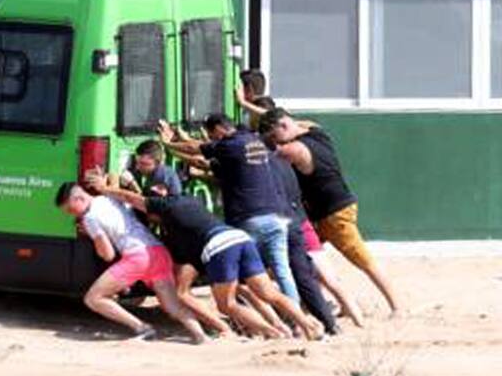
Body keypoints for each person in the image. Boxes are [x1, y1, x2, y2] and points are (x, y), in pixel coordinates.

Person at [88, 178, 322, 341]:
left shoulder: (166, 206)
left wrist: (105, 188)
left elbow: (132, 197)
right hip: (239, 238)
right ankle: (307, 324)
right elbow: (186, 262)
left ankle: (274, 332)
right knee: (268, 292)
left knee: (226, 305)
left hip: (219, 247)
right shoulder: (188, 202)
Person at [258, 107, 401, 315]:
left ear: (283, 125)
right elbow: (302, 122)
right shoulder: (316, 131)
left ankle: (396, 306)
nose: (276, 141)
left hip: (334, 214)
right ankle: (338, 302)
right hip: (328, 212)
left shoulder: (294, 149)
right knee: (305, 256)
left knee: (363, 261)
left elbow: (266, 156)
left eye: (275, 136)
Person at [157, 114, 301, 304]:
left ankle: (250, 316)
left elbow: (197, 149)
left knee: (242, 272)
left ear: (218, 129)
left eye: (213, 135)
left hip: (250, 218)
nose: (214, 139)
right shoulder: (252, 140)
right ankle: (296, 314)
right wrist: (182, 139)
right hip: (276, 217)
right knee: (282, 271)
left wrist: (168, 145)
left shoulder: (230, 145)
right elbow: (204, 156)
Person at [55, 182, 208, 344]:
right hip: (158, 251)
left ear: (79, 198)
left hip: (137, 257)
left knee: (93, 298)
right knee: (173, 306)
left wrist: (93, 237)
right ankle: (200, 335)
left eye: (71, 210)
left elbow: (107, 254)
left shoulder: (89, 218)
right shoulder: (108, 199)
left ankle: (142, 328)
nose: (73, 215)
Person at [267, 148, 338, 335]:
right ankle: (329, 323)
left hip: (279, 222)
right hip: (295, 221)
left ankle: (297, 323)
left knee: (277, 272)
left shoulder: (264, 165)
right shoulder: (284, 163)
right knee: (302, 275)